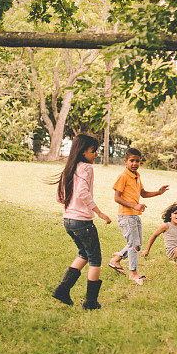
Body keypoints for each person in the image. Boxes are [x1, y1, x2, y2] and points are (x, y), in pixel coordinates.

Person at [51, 133, 112, 310]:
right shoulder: (86, 168)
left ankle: (62, 289)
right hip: (83, 222)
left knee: (84, 254)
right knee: (95, 258)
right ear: (84, 151)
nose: (95, 154)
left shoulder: (70, 167)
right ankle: (90, 302)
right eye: (93, 151)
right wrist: (99, 213)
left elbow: (59, 196)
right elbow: (83, 193)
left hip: (68, 220)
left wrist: (72, 207)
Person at [107, 148, 169, 285]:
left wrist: (158, 192)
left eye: (137, 161)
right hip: (126, 216)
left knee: (137, 244)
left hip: (135, 216)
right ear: (125, 161)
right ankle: (133, 273)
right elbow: (117, 198)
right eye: (132, 161)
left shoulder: (137, 176)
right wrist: (133, 206)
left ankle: (116, 260)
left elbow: (143, 193)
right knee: (134, 244)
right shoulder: (123, 176)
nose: (134, 163)